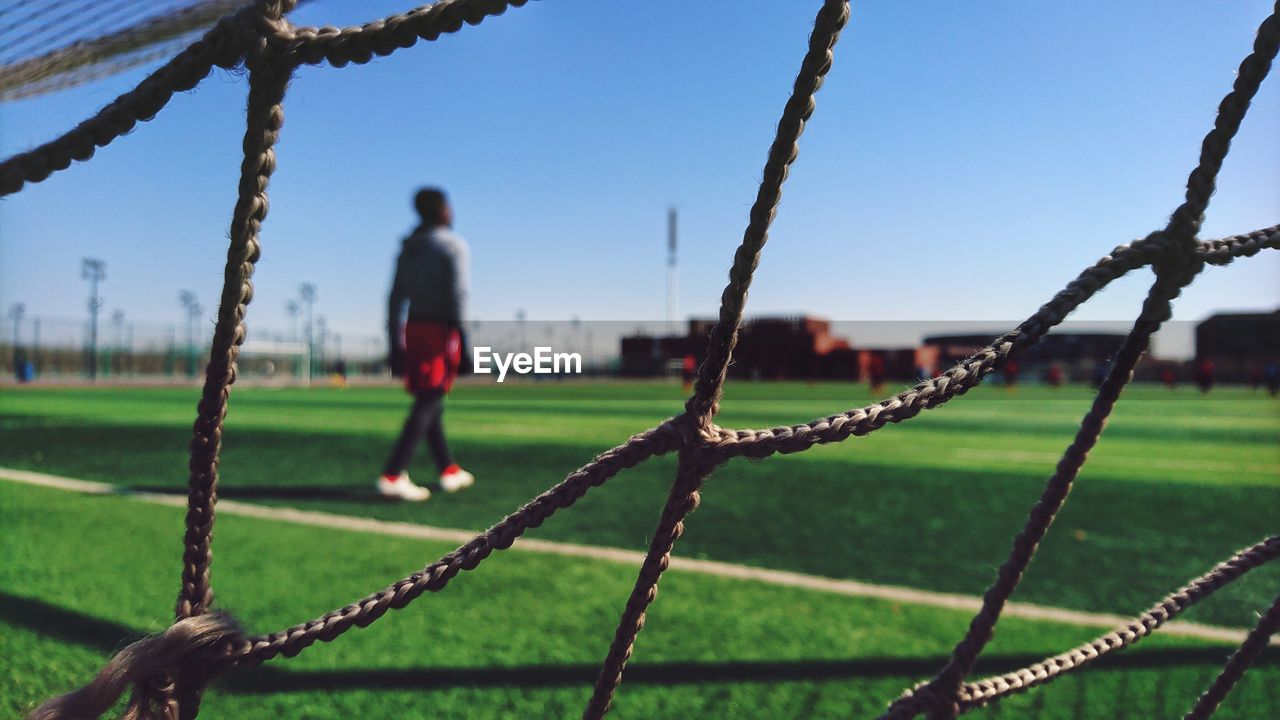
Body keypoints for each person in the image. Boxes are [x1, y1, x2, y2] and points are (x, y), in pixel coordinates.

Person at [378, 187, 476, 501]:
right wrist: (465, 341)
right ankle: (393, 473)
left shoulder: (408, 248)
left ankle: (448, 469)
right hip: (440, 330)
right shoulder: (452, 246)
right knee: (430, 398)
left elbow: (394, 298)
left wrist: (394, 341)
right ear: (442, 210)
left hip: (413, 327)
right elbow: (458, 295)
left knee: (429, 396)